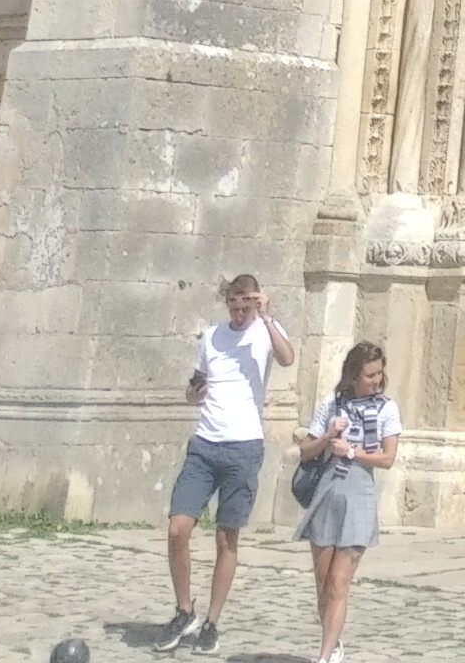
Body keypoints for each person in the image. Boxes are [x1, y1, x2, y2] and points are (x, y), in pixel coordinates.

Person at [155, 271, 295, 653]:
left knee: (225, 537)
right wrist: (193, 393)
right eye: (234, 305)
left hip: (243, 446)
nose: (239, 312)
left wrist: (267, 317)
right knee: (177, 528)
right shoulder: (212, 336)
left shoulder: (265, 332)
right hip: (205, 442)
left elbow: (287, 358)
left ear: (256, 301)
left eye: (246, 305)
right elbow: (194, 386)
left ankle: (212, 622)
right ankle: (184, 611)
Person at [294, 339, 403, 663]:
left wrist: (352, 452)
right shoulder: (332, 404)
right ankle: (333, 640)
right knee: (324, 583)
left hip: (359, 497)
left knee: (339, 583)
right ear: (354, 375)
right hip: (328, 494)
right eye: (370, 375)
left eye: (379, 373)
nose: (376, 380)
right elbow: (305, 451)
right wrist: (328, 436)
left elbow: (388, 458)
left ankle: (325, 656)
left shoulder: (387, 409)